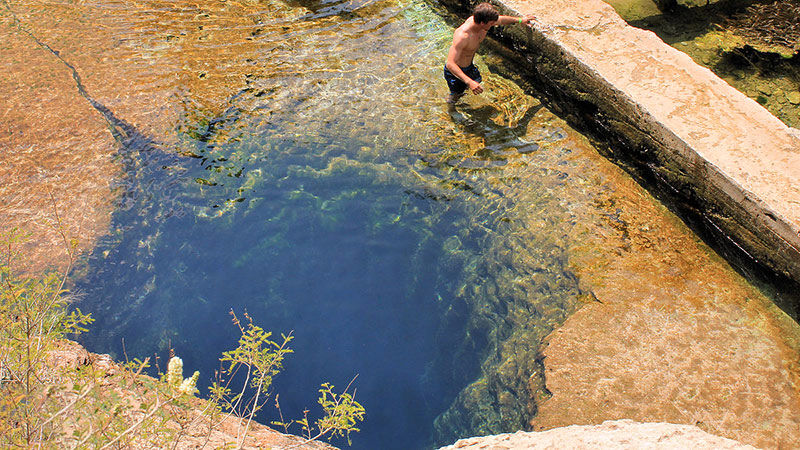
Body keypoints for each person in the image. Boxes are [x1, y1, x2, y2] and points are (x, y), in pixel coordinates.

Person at [444, 3, 535, 103]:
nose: (494, 25)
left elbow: (501, 20)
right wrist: (469, 82)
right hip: (455, 72)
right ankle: (451, 110)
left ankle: (465, 91)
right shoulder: (463, 36)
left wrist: (521, 20)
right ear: (483, 22)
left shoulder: (482, 24)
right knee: (456, 95)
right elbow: (450, 64)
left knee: (475, 84)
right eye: (491, 23)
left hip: (469, 67)